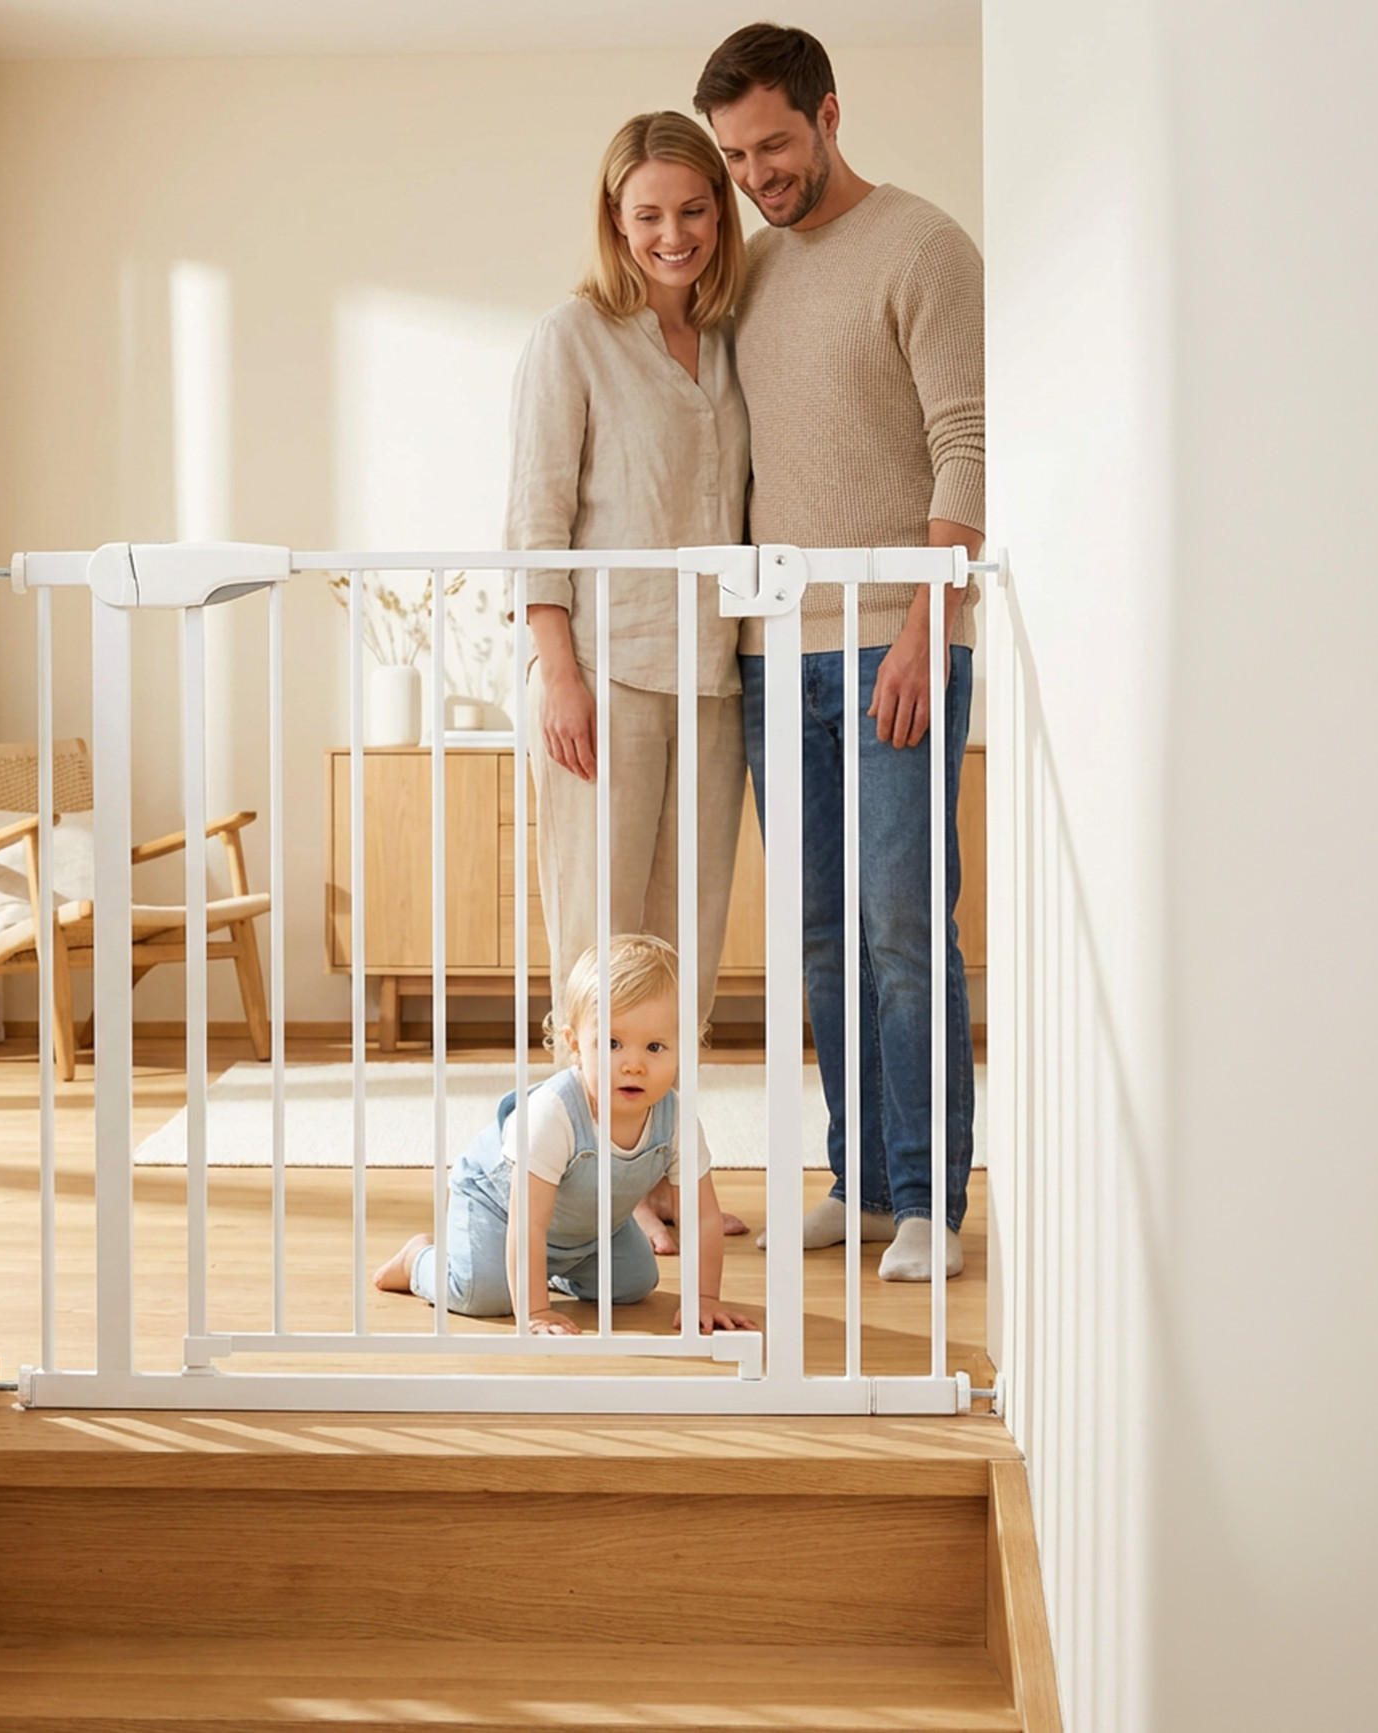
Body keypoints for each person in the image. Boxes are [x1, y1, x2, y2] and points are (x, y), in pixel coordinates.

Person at [696, 24, 985, 1281]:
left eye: (770, 143)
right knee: (817, 933)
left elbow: (967, 439)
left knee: (903, 924)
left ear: (824, 114)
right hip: (776, 650)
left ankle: (930, 1198)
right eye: (734, 154)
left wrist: (928, 625)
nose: (755, 173)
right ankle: (860, 1181)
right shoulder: (749, 273)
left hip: (893, 643)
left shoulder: (923, 246)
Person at [504, 110, 753, 1253]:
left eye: (693, 210)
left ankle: (658, 1178)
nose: (673, 233)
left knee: (684, 948)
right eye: (648, 212)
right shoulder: (572, 336)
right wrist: (556, 671)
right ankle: (569, 1184)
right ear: (614, 216)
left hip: (712, 679)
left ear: (721, 212)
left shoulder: (735, 334)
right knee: (600, 948)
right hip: (603, 673)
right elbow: (535, 522)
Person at [373, 937, 753, 1337]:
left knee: (634, 1283)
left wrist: (704, 1298)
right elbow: (528, 1225)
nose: (634, 1065)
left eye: (655, 1047)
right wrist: (536, 1310)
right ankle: (419, 1258)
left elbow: (702, 1218)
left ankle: (547, 1270)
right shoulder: (554, 1114)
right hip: (501, 1212)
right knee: (481, 1296)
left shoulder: (675, 1120)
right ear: (574, 1045)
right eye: (611, 1044)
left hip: (587, 1227)